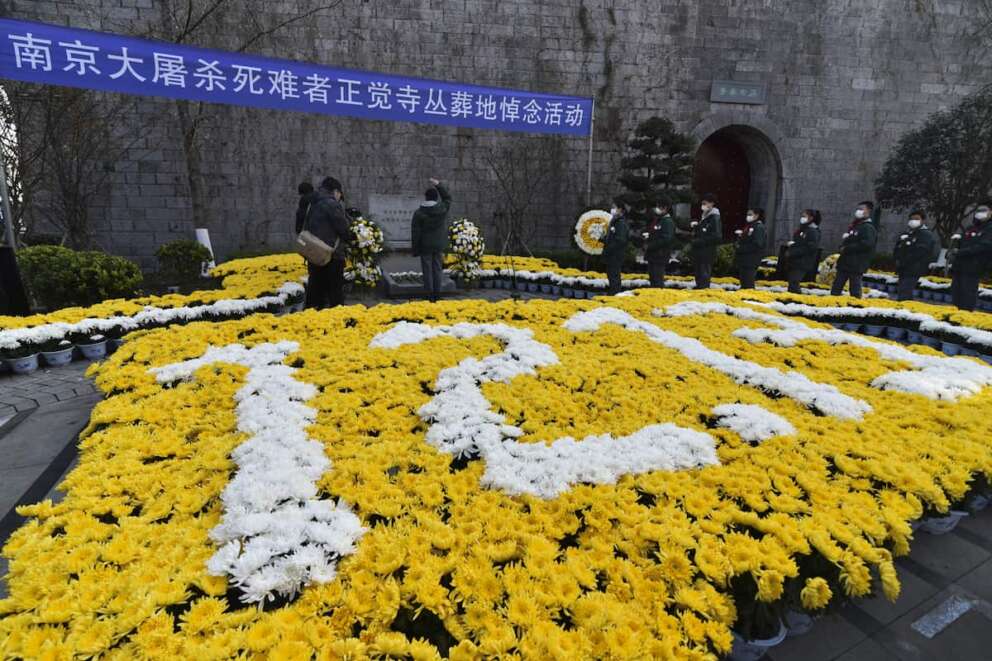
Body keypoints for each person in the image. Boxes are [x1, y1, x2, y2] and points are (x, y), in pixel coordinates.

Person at [304, 176, 353, 309]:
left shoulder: (313, 203)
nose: (339, 197)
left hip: (314, 253)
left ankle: (310, 318)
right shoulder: (332, 204)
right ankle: (337, 320)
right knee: (335, 292)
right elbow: (343, 229)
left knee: (315, 289)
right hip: (332, 255)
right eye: (340, 194)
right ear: (336, 191)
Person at [411, 178, 452, 302]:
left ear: (425, 198)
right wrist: (438, 185)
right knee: (437, 269)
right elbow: (447, 198)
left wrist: (415, 249)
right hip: (439, 244)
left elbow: (415, 232)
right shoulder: (442, 209)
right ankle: (437, 293)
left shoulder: (419, 213)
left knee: (427, 270)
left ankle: (428, 294)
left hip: (425, 245)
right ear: (436, 198)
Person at [950, 203, 992, 311]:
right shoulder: (970, 228)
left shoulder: (989, 229)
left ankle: (964, 319)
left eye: (984, 211)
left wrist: (961, 252)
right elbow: (962, 242)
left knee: (968, 295)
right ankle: (954, 317)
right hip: (959, 266)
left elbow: (983, 246)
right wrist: (953, 250)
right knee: (956, 293)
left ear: (990, 213)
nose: (980, 214)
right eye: (978, 211)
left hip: (974, 267)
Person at [831, 201, 878, 298]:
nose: (858, 211)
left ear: (868, 211)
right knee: (836, 288)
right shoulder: (856, 226)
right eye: (858, 209)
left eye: (861, 209)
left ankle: (855, 308)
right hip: (845, 263)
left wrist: (847, 248)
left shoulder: (867, 227)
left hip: (856, 264)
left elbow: (867, 244)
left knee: (855, 290)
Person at [893, 210, 938, 301]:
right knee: (902, 291)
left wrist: (906, 260)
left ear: (923, 221)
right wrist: (897, 259)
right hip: (903, 268)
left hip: (914, 268)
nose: (913, 221)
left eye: (917, 219)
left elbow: (921, 251)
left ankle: (905, 311)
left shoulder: (925, 234)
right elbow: (898, 248)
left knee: (905, 292)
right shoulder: (907, 233)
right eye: (912, 219)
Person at [786, 210, 822, 294]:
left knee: (794, 282)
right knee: (792, 282)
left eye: (804, 216)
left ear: (811, 218)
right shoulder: (804, 228)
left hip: (803, 261)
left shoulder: (812, 231)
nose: (802, 218)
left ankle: (795, 300)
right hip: (796, 260)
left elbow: (810, 247)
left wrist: (793, 251)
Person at [692, 193, 722, 289]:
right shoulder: (705, 216)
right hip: (701, 251)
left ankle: (703, 291)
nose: (703, 205)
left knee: (704, 274)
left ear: (712, 204)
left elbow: (716, 236)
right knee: (698, 273)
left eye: (705, 203)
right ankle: (699, 289)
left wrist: (700, 241)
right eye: (702, 203)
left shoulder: (714, 218)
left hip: (707, 251)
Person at [642, 199, 675, 287]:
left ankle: (659, 296)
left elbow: (666, 239)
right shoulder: (658, 220)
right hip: (653, 254)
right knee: (652, 278)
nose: (657, 209)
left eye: (659, 207)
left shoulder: (667, 222)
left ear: (665, 208)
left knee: (657, 279)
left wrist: (650, 245)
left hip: (660, 255)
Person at [734, 208, 767, 289]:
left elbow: (757, 244)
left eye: (750, 214)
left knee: (748, 283)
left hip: (751, 259)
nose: (748, 216)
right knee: (744, 282)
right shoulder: (750, 226)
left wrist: (741, 248)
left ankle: (749, 299)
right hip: (745, 259)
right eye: (747, 214)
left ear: (756, 215)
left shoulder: (759, 227)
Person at [602, 203, 630, 294]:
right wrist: (603, 239)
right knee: (611, 276)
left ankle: (615, 294)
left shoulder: (620, 222)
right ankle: (613, 293)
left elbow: (620, 240)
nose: (612, 209)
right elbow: (613, 237)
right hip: (612, 254)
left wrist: (609, 247)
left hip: (615, 255)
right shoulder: (615, 221)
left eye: (615, 207)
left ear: (620, 209)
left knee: (614, 277)